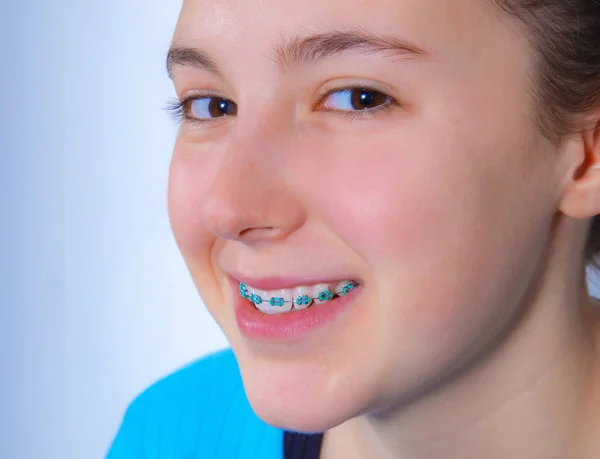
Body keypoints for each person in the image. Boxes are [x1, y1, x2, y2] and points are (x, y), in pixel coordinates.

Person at [106, 0, 600, 457]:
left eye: (358, 99)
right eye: (211, 105)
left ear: (590, 152)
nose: (229, 208)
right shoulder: (171, 434)